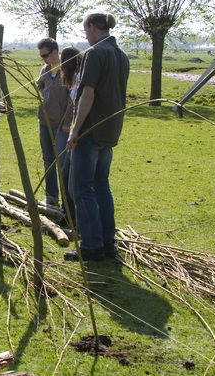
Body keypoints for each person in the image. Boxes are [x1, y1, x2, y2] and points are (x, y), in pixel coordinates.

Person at [64, 13, 129, 261]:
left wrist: (75, 129)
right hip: (111, 131)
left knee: (82, 188)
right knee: (102, 185)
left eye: (85, 28)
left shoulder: (95, 53)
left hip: (91, 130)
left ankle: (91, 246)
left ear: (93, 27)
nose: (85, 34)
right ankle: (107, 243)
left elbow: (87, 94)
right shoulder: (121, 55)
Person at [36, 38, 72, 207]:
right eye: (42, 56)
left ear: (55, 52)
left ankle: (67, 200)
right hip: (44, 122)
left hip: (61, 124)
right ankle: (51, 197)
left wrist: (67, 122)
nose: (44, 59)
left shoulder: (67, 70)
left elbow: (73, 100)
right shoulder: (44, 69)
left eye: (45, 55)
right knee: (48, 159)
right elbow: (39, 85)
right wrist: (45, 95)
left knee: (63, 161)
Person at [58, 46, 83, 223]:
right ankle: (68, 216)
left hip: (80, 135)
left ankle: (75, 219)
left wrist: (73, 130)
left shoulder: (81, 78)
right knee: (66, 175)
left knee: (71, 179)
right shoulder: (75, 79)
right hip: (75, 132)